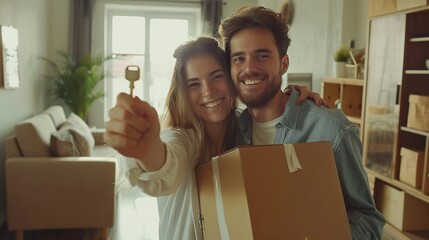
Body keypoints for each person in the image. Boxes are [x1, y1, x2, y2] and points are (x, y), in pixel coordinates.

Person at [104, 37, 325, 240]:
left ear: (232, 80)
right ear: (183, 94)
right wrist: (147, 148)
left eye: (216, 77)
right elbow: (166, 165)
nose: (208, 91)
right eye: (194, 84)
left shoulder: (246, 131)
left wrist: (290, 99)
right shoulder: (183, 138)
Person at [218, 6, 385, 240]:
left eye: (262, 56)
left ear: (284, 63)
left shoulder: (331, 129)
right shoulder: (229, 131)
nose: (249, 68)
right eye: (239, 58)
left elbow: (368, 219)